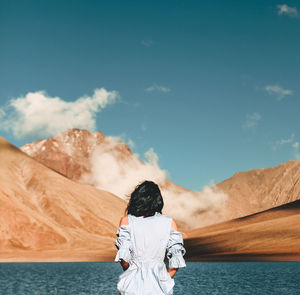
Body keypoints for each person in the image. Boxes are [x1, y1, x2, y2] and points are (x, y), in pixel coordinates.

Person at [114, 180, 186, 295]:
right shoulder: (170, 223)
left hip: (131, 285)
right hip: (160, 287)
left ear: (136, 199)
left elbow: (124, 259)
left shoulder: (127, 221)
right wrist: (164, 279)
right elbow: (176, 261)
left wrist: (131, 273)